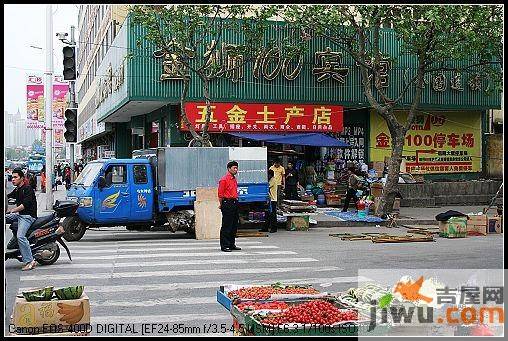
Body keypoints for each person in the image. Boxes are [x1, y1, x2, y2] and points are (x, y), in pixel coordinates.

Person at [6, 168, 38, 271]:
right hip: (20, 215)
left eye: (15, 177)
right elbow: (8, 196)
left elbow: (25, 204)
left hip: (28, 217)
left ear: (22, 178)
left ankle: (30, 261)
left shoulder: (27, 189)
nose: (13, 180)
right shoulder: (17, 189)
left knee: (20, 236)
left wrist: (13, 210)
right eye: (12, 177)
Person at [217, 161, 242, 252]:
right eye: (234, 168)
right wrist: (221, 204)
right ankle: (225, 245)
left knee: (234, 225)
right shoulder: (224, 179)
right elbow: (220, 194)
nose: (236, 170)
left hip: (234, 202)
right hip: (227, 202)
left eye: (236, 168)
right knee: (227, 225)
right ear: (229, 169)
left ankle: (232, 244)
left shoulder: (234, 179)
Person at [260, 169, 278, 233]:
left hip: (273, 200)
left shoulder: (273, 180)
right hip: (270, 199)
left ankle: (274, 228)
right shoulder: (271, 180)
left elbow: (267, 187)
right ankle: (265, 228)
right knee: (267, 214)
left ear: (270, 175)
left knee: (272, 214)